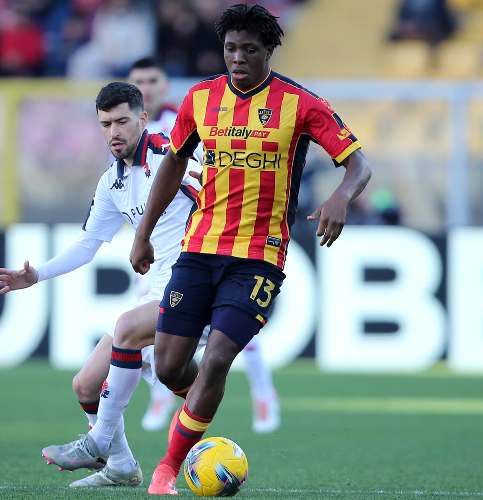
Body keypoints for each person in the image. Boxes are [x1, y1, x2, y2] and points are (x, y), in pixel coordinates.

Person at [129, 4, 372, 495]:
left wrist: (341, 197)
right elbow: (172, 165)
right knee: (169, 366)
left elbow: (358, 163)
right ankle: (200, 412)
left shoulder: (300, 104)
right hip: (198, 250)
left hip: (260, 256)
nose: (237, 58)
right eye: (230, 49)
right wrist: (144, 232)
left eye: (249, 50)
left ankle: (166, 469)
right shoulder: (201, 99)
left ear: (268, 51)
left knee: (217, 358)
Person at [0, 82, 201, 488]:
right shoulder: (112, 182)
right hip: (155, 291)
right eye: (105, 124)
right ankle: (120, 465)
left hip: (195, 283)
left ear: (142, 118)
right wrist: (36, 276)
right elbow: (87, 245)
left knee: (128, 331)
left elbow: (211, 193)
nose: (114, 132)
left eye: (122, 121)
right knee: (85, 384)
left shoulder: (172, 156)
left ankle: (100, 439)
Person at [129, 56, 282, 435]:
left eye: (152, 79)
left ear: (165, 84)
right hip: (160, 247)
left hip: (204, 241)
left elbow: (199, 173)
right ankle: (162, 401)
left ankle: (264, 395)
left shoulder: (187, 117)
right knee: (161, 333)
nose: (145, 88)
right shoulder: (130, 129)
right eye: (138, 82)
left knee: (228, 328)